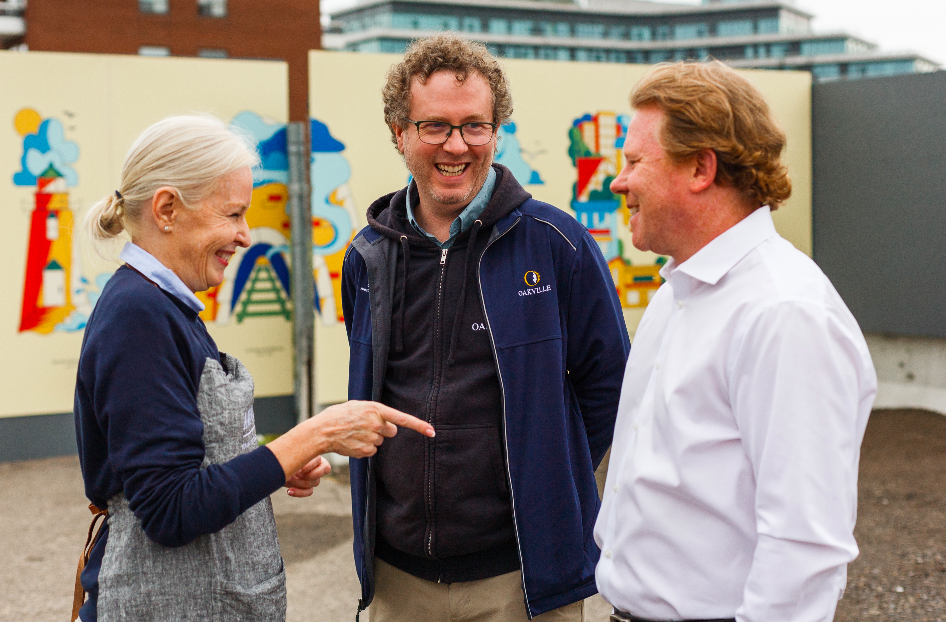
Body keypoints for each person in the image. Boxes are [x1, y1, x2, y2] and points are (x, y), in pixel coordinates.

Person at [72, 115, 434, 622]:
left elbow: (182, 448)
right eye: (233, 214)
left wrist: (270, 457)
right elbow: (170, 508)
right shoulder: (140, 316)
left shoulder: (159, 306)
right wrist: (311, 437)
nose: (245, 236)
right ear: (167, 209)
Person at [341, 34, 630, 622]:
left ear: (496, 132)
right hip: (400, 579)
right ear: (400, 133)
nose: (457, 146)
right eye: (435, 127)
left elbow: (612, 387)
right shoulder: (366, 255)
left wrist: (551, 464)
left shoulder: (557, 245)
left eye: (476, 126)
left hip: (522, 577)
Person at [593, 61, 878, 622]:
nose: (618, 182)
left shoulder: (784, 313)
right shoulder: (678, 292)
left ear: (700, 167)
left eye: (632, 162)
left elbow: (805, 549)